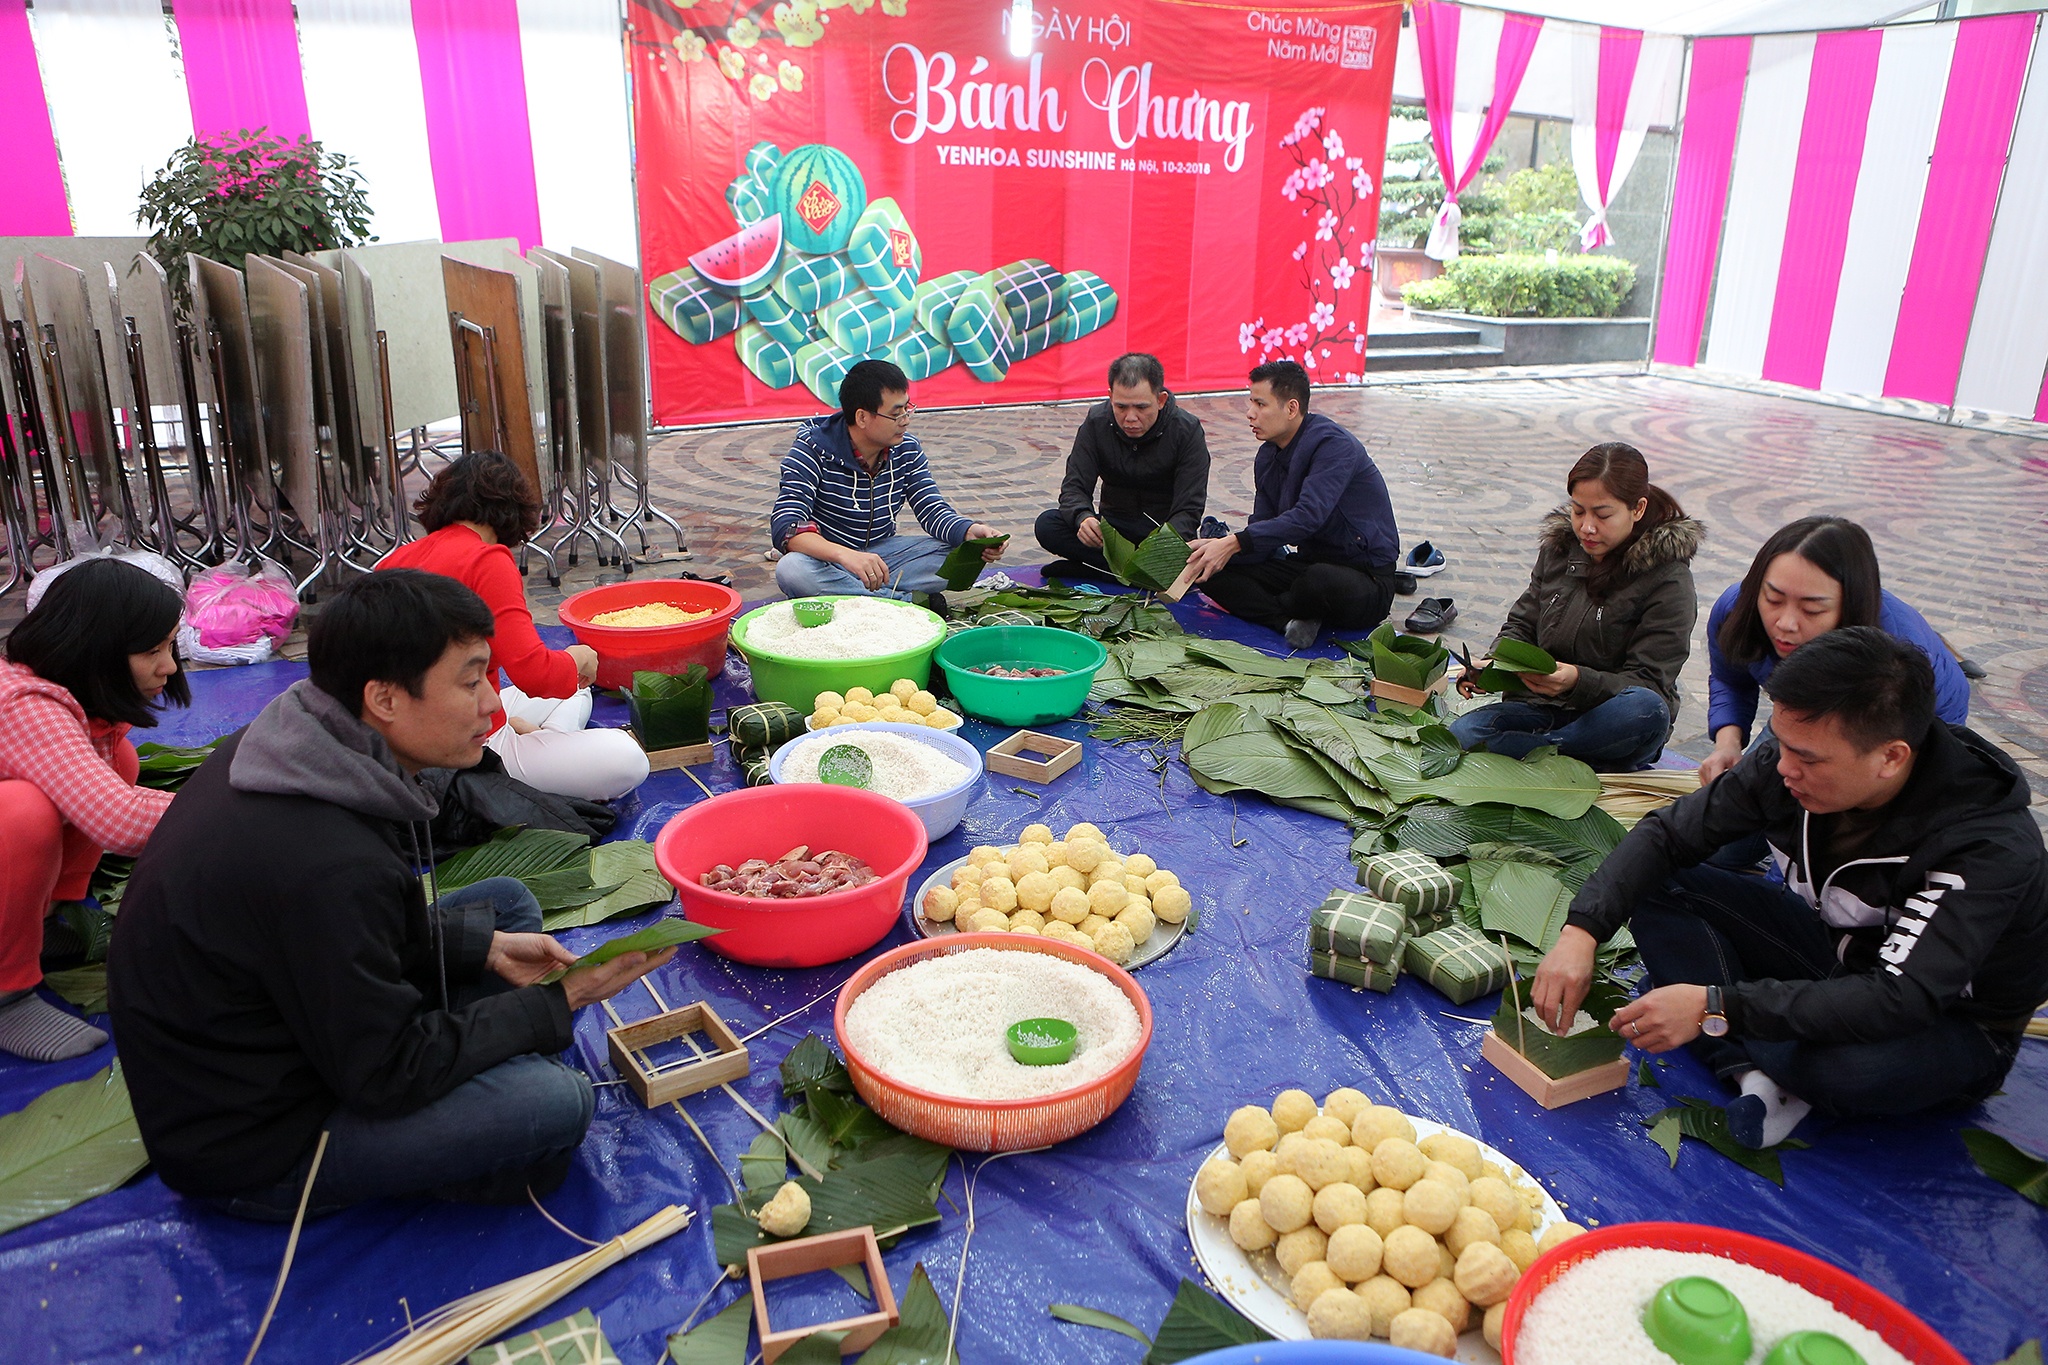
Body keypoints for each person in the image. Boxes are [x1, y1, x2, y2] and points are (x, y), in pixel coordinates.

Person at [108, 571, 674, 1219]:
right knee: (560, 1103)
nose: (493, 707)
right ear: (384, 698)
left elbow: (350, 933)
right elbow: (384, 1071)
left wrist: (478, 946)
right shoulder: (322, 855)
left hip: (292, 1021)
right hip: (259, 1138)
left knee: (506, 908)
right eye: (469, 682)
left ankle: (494, 1083)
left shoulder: (308, 740)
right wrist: (567, 996)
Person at [1532, 628, 2048, 1149]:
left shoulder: (1987, 847)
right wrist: (1582, 930)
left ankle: (1750, 1047)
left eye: (1808, 758)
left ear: (1891, 757)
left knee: (1845, 1069)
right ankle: (1753, 1075)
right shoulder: (1787, 762)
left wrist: (1716, 1003)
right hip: (1836, 955)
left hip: (1946, 1021)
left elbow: (1900, 998)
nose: (1783, 769)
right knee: (1662, 884)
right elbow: (1668, 835)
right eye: (1780, 742)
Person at [0, 558, 188, 1062]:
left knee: (115, 755)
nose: (169, 667)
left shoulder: (66, 695)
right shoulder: (23, 705)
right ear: (96, 650)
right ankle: (6, 994)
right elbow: (119, 820)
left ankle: (54, 919)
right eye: (153, 650)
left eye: (170, 645)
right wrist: (239, 806)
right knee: (22, 812)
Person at [379, 451, 648, 802]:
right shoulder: (486, 559)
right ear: (514, 511)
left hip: (399, 738)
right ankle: (530, 758)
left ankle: (537, 743)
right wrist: (580, 656)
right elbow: (533, 674)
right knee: (628, 758)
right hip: (466, 745)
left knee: (576, 689)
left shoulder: (395, 559)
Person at [1448, 443, 1703, 772]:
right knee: (1463, 733)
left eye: (1603, 514)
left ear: (1637, 509)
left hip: (1610, 719)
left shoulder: (1669, 579)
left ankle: (1536, 753)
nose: (1587, 527)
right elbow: (1522, 625)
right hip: (1541, 709)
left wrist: (1577, 681)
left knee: (1647, 710)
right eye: (1578, 510)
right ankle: (1563, 757)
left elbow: (1649, 682)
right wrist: (1496, 666)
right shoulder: (1560, 548)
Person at [1699, 515, 1970, 786]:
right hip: (1809, 706)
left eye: (1812, 610)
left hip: (1908, 726)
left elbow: (1887, 751)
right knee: (1748, 792)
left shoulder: (1893, 655)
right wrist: (1727, 744)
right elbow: (1730, 678)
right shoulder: (1736, 609)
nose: (1786, 623)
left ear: (1850, 605)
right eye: (1773, 599)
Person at [1183, 361, 1400, 649]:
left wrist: (1235, 542)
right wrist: (1215, 550)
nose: (1250, 413)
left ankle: (1292, 608)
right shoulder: (1267, 457)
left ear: (1291, 408)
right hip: (1308, 564)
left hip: (1364, 577)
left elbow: (1308, 517)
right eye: (1251, 403)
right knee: (1211, 571)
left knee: (1317, 582)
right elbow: (1261, 531)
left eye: (1260, 404)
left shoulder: (1333, 446)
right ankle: (1288, 621)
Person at [770, 359, 1005, 605]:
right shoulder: (811, 451)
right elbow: (787, 526)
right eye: (896, 414)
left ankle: (853, 593)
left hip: (884, 557)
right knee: (792, 570)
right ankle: (900, 601)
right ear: (862, 417)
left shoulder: (906, 449)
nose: (905, 420)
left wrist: (969, 532)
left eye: (907, 409)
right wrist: (846, 556)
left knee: (962, 555)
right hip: (827, 559)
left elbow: (931, 509)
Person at [1033, 352, 1210, 579]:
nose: (1130, 418)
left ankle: (1096, 570)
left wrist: (1163, 544)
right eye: (1121, 407)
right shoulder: (1097, 422)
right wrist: (1083, 517)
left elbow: (1189, 509)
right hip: (1112, 531)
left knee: (1186, 554)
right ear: (1110, 397)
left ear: (1161, 400)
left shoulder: (1186, 430)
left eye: (1141, 407)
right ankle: (1132, 575)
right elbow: (1074, 487)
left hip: (1161, 533)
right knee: (1047, 525)